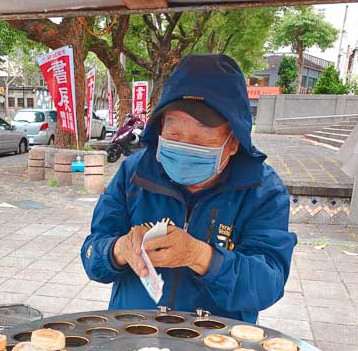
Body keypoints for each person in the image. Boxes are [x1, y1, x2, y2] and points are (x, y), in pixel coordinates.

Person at [81, 55, 296, 324]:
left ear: (233, 143)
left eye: (201, 138)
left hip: (216, 344)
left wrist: (200, 256)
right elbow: (92, 255)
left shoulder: (263, 191)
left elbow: (267, 284)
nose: (185, 146)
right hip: (133, 335)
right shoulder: (134, 173)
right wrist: (118, 250)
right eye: (173, 134)